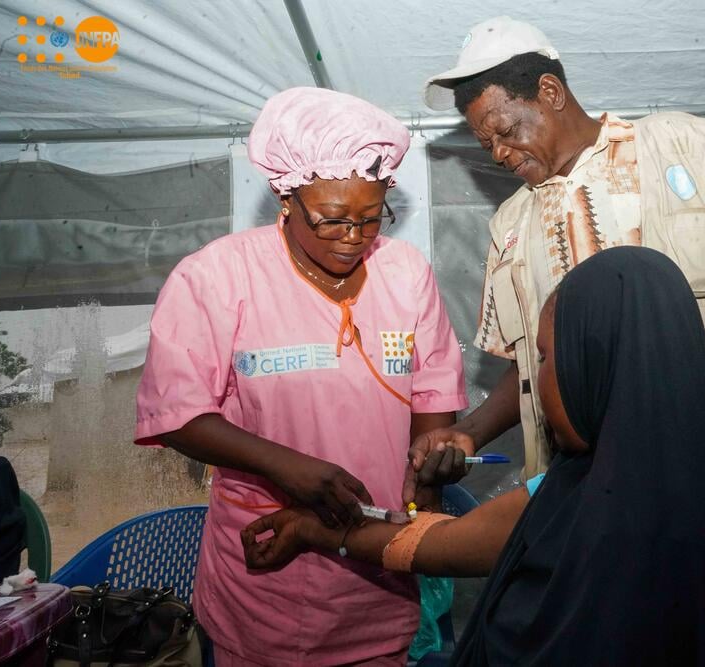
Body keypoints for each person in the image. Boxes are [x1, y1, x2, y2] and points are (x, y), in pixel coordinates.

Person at [409, 16, 705, 531]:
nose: (499, 154)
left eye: (507, 132)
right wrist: (466, 433)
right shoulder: (510, 223)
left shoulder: (673, 146)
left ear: (550, 92)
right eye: (486, 144)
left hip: (704, 471)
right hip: (583, 494)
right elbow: (531, 368)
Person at [243, 247, 705, 666]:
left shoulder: (600, 513)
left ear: (595, 365)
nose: (535, 380)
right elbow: (437, 545)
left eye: (543, 356)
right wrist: (316, 529)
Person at [133, 87, 468, 666]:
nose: (353, 237)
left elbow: (433, 387)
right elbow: (177, 413)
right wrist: (288, 468)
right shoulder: (216, 277)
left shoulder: (404, 271)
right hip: (268, 562)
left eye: (370, 218)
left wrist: (432, 458)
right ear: (286, 195)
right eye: (333, 220)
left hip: (377, 558)